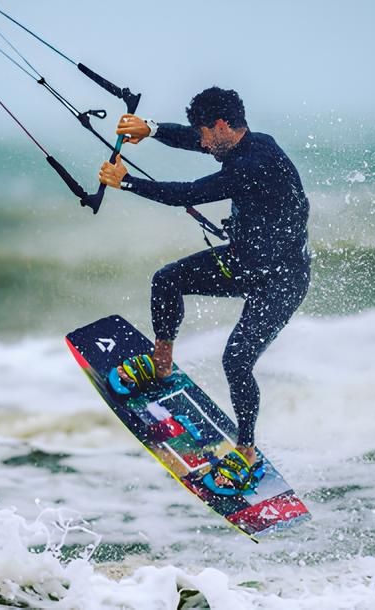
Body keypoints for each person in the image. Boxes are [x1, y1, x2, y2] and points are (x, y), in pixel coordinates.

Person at [98, 87, 310, 493]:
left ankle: (246, 452)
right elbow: (189, 140)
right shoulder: (236, 143)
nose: (202, 141)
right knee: (167, 280)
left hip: (282, 280)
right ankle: (161, 364)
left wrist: (126, 184)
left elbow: (190, 194)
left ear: (222, 125)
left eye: (204, 133)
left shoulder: (256, 161)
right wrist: (152, 129)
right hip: (245, 263)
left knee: (236, 360)